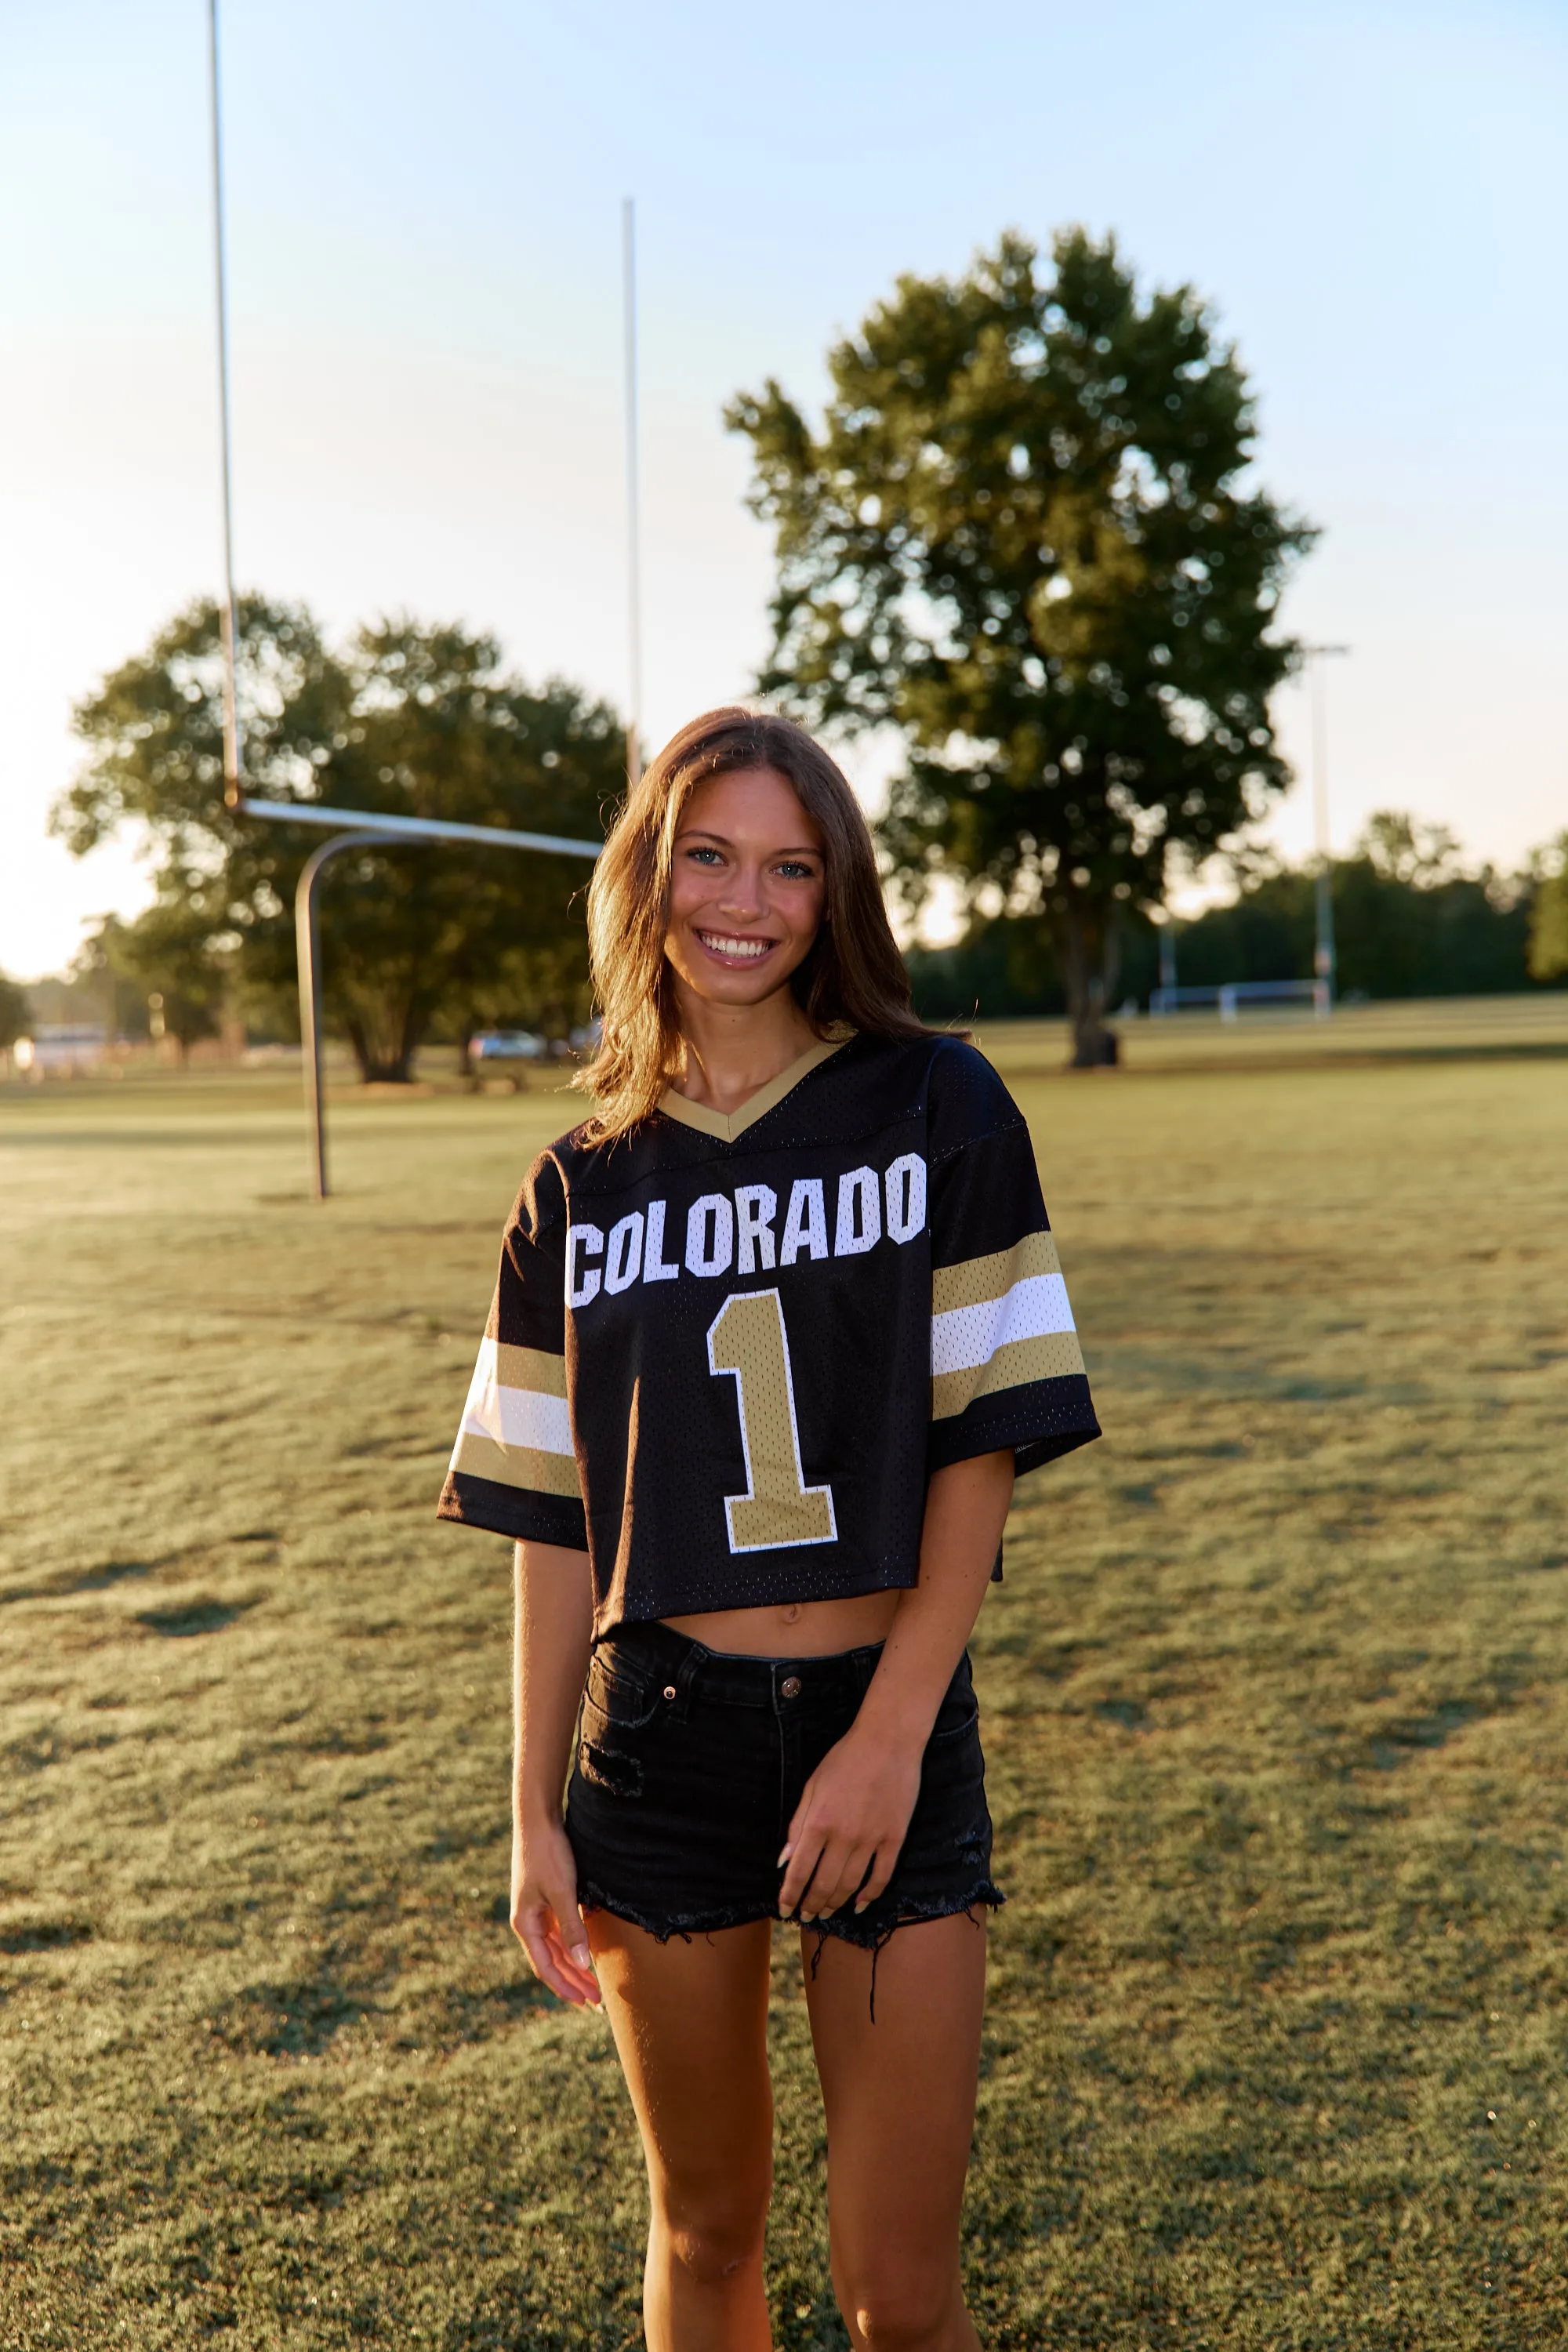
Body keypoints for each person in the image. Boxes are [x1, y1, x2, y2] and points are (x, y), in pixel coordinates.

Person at [437, 708, 1100, 2351]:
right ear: (647, 878)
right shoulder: (578, 1183)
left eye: (790, 866)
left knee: (901, 2291)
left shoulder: (935, 1101)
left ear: (837, 891)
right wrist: (530, 1809)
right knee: (707, 2229)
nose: (746, 901)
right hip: (660, 1741)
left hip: (887, 1718)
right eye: (708, 857)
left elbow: (978, 1453)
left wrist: (886, 1738)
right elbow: (555, 1526)